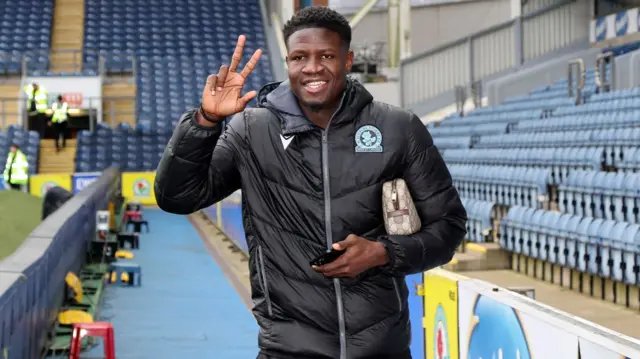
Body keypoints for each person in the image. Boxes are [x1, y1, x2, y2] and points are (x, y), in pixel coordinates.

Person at [155, 7, 466, 359]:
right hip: (288, 348)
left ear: (348, 60)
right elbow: (177, 197)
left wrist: (382, 253)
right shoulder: (250, 131)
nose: (313, 68)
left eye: (327, 56)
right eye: (300, 57)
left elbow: (449, 227)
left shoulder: (398, 128)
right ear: (288, 62)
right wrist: (206, 121)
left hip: (383, 347)